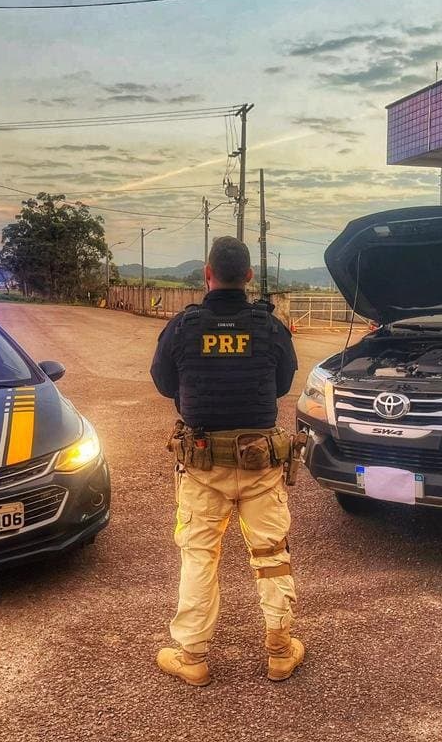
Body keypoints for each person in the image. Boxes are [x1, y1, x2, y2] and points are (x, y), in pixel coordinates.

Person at [150, 236, 302, 686]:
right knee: (271, 555)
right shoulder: (271, 328)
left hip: (201, 466)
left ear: (206, 275)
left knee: (199, 557)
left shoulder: (182, 327)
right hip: (260, 465)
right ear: (250, 277)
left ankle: (192, 656)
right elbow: (280, 385)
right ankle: (279, 649)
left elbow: (163, 383)